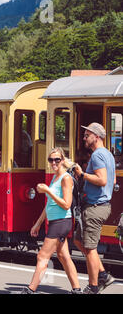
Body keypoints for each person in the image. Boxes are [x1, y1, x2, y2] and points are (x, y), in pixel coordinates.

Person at [20, 148, 81, 294]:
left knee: (42, 256)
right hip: (56, 221)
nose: (53, 163)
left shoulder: (66, 178)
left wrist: (48, 191)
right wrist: (38, 223)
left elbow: (66, 204)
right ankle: (77, 289)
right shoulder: (55, 177)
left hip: (61, 221)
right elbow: (49, 205)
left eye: (57, 160)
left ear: (62, 160)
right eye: (51, 160)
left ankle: (30, 290)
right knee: (63, 256)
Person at [72, 123, 116, 294]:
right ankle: (103, 274)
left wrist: (82, 174)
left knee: (90, 248)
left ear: (96, 137)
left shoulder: (97, 155)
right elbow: (111, 182)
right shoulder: (108, 155)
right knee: (78, 240)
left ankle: (93, 286)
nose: (84, 138)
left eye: (87, 135)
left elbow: (103, 180)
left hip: (95, 207)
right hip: (101, 205)